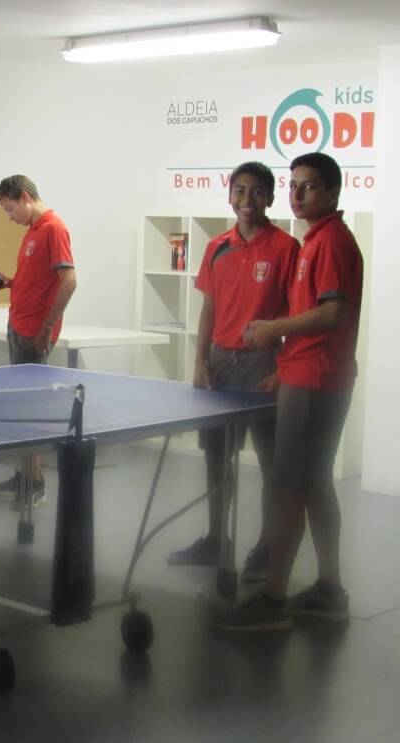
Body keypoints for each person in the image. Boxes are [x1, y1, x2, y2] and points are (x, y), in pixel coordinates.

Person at [217, 152, 364, 631]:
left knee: (287, 488)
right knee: (315, 483)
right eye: (294, 185)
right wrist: (285, 364)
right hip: (309, 374)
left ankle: (273, 600)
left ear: (333, 192)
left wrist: (272, 329)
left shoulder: (331, 242)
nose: (298, 194)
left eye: (310, 186)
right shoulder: (317, 240)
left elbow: (333, 313)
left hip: (315, 379)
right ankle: (329, 590)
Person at [167, 162, 299, 584]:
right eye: (240, 190)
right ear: (229, 196)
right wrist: (200, 359)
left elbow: (298, 314)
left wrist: (283, 368)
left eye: (257, 191)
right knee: (216, 456)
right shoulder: (217, 247)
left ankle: (268, 547)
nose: (247, 200)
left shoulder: (286, 247)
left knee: (271, 462)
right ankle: (215, 538)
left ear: (270, 197)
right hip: (221, 364)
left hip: (263, 363)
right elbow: (209, 307)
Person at [0, 175, 76, 508]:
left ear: (25, 197)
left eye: (10, 209)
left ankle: (35, 484)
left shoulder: (53, 228)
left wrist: (47, 327)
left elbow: (69, 281)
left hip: (34, 333)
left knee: (29, 411)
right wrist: (10, 282)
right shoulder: (33, 232)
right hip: (18, 327)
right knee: (19, 408)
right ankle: (25, 475)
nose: (9, 217)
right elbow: (37, 280)